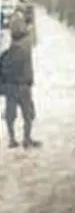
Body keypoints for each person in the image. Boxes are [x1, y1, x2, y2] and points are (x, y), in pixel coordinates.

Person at [1, 11, 40, 148]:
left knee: (10, 115)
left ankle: (12, 139)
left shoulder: (8, 45)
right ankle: (27, 139)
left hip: (10, 86)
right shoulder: (26, 43)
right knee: (28, 114)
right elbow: (33, 32)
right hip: (24, 85)